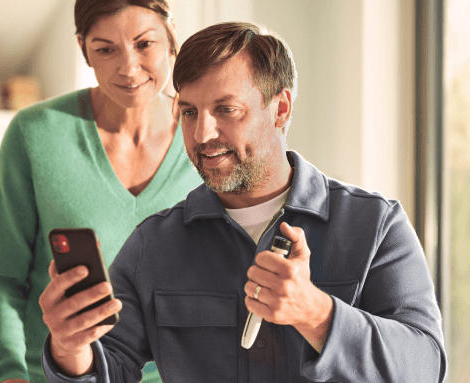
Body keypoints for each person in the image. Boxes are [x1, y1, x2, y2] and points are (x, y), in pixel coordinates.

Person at [39, 21, 448, 382]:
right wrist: (70, 348)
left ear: (281, 108)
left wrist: (317, 315)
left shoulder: (375, 226)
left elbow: (425, 367)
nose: (201, 134)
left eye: (225, 110)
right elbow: (109, 368)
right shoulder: (153, 245)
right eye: (188, 112)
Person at [0, 1, 202, 382]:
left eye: (144, 44)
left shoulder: (207, 138)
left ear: (171, 35)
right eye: (105, 49)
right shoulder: (36, 133)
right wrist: (8, 372)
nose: (128, 67)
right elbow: (2, 279)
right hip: (50, 373)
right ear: (83, 49)